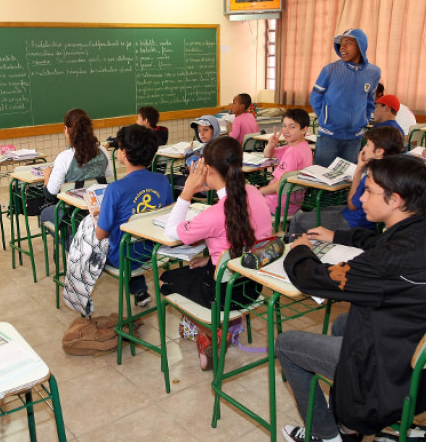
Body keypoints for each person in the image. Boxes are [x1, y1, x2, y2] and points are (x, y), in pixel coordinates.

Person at [277, 156, 426, 442]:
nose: (361, 198)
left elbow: (312, 279)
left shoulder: (385, 264)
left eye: (369, 191)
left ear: (395, 200)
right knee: (344, 323)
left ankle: (325, 437)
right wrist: (338, 235)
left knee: (286, 344)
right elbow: (383, 244)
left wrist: (299, 250)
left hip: (390, 381)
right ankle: (346, 427)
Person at [162, 136, 273, 369]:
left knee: (166, 280)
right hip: (252, 286)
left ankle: (211, 332)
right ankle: (225, 328)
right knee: (195, 271)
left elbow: (171, 232)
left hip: (222, 295)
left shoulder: (214, 214)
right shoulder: (254, 192)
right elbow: (241, 242)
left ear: (208, 170)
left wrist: (187, 192)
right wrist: (212, 258)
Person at [95, 125, 173, 307]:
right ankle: (139, 290)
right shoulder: (163, 181)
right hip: (155, 251)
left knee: (73, 235)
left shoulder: (115, 189)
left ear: (125, 152)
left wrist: (100, 216)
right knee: (127, 235)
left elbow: (100, 235)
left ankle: (81, 281)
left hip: (123, 258)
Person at [287, 126, 404, 237]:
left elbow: (352, 205)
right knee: (314, 211)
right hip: (361, 220)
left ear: (379, 152)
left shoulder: (371, 178)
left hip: (353, 223)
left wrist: (359, 169)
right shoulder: (391, 172)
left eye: (368, 145)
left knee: (298, 219)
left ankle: (294, 247)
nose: (364, 148)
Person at [310, 29, 382, 166]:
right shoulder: (330, 70)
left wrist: (364, 120)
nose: (342, 47)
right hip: (328, 137)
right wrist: (326, 120)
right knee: (323, 175)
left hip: (354, 138)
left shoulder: (374, 72)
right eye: (341, 44)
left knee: (348, 176)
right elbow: (315, 98)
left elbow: (370, 100)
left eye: (348, 43)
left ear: (361, 46)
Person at [40, 109, 112, 230]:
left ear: (66, 130)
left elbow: (50, 193)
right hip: (100, 211)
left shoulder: (64, 157)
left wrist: (47, 175)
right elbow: (109, 180)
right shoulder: (103, 151)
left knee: (45, 214)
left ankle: (69, 238)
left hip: (72, 214)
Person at [258, 109, 314, 215]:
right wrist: (271, 145)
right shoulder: (303, 147)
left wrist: (259, 191)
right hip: (293, 204)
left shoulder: (293, 152)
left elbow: (280, 185)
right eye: (284, 126)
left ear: (304, 129)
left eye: (292, 127)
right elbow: (268, 154)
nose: (286, 131)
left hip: (276, 205)